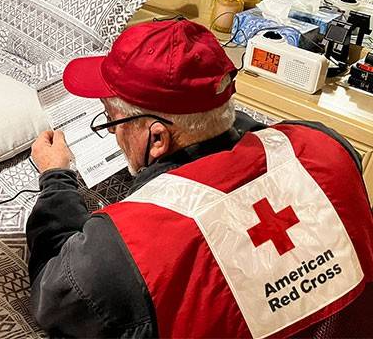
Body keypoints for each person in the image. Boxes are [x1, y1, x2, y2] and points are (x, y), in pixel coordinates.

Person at [26, 19, 373, 338]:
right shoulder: (328, 145)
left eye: (111, 120)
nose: (115, 135)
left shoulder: (126, 244)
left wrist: (56, 177)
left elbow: (52, 298)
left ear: (157, 139)